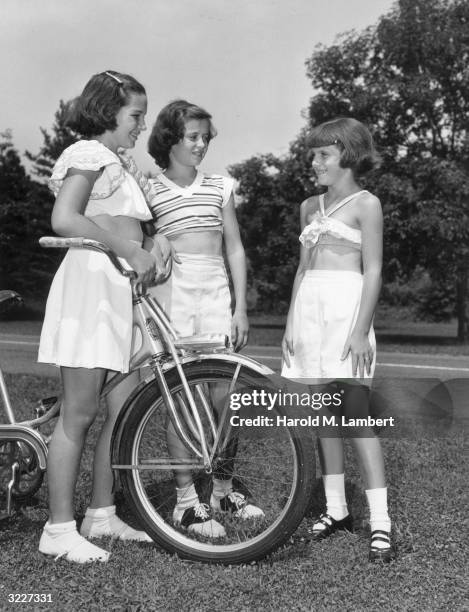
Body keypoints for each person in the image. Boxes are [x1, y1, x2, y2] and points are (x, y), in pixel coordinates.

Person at [37, 70, 170, 563]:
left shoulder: (119, 163)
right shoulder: (88, 153)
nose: (141, 124)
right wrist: (129, 251)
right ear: (108, 110)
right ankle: (57, 529)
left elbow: (133, 223)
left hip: (118, 289)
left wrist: (153, 242)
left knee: (123, 409)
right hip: (91, 286)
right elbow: (66, 217)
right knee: (80, 413)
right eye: (135, 114)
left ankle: (101, 512)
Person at [146, 100, 264, 538]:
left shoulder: (220, 185)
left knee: (224, 397)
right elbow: (147, 246)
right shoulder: (149, 190)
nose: (200, 144)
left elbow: (234, 247)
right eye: (192, 137)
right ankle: (186, 502)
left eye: (204, 137)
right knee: (177, 395)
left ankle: (222, 488)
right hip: (172, 294)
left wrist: (241, 306)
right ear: (169, 139)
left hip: (215, 290)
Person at [281, 117, 393, 562]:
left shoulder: (368, 204)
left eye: (322, 155)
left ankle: (381, 523)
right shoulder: (309, 206)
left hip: (348, 312)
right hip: (309, 311)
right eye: (312, 155)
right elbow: (302, 268)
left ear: (347, 155)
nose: (314, 163)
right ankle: (337, 509)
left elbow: (375, 269)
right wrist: (290, 322)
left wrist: (362, 329)